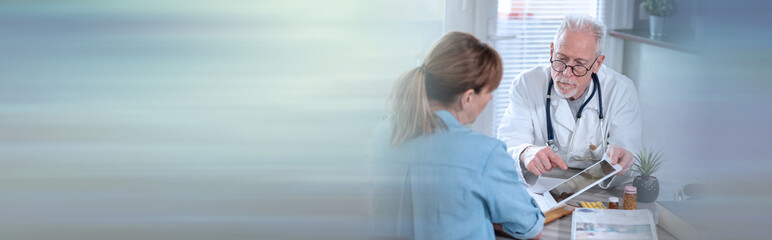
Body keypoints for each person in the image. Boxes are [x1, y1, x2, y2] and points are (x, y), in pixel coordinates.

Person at [368, 32, 544, 240]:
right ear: (468, 97)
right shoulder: (485, 154)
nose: (489, 99)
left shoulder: (381, 135)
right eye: (488, 91)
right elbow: (530, 228)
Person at [497, 15, 642, 189]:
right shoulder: (527, 84)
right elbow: (510, 145)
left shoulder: (621, 90)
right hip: (540, 186)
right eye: (561, 59)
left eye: (579, 64)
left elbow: (628, 159)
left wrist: (621, 159)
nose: (566, 73)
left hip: (597, 189)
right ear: (551, 52)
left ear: (597, 64)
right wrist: (525, 152)